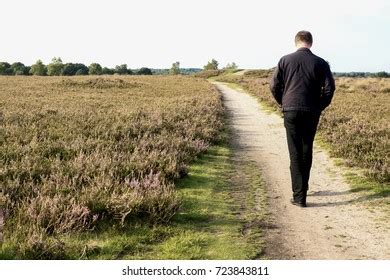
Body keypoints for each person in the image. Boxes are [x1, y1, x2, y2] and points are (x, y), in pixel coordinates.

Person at [270, 30, 335, 207]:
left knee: (295, 152)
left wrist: (283, 103)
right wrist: (319, 107)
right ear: (311, 43)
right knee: (307, 149)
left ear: (296, 42)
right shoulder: (321, 63)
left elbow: (274, 86)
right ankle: (302, 190)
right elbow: (329, 90)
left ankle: (299, 196)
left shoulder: (285, 60)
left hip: (290, 109)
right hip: (311, 111)